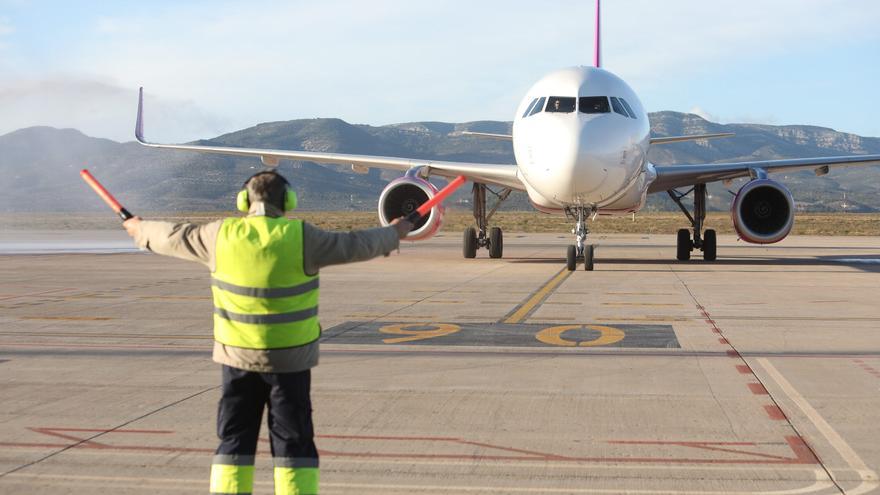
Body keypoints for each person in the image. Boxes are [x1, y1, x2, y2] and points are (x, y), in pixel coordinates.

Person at [123, 170, 412, 495]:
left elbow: (171, 235)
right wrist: (395, 231)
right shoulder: (302, 237)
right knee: (294, 443)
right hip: (290, 363)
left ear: (245, 200)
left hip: (237, 360)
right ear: (288, 201)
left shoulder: (220, 235)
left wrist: (139, 229)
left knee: (234, 441)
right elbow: (356, 244)